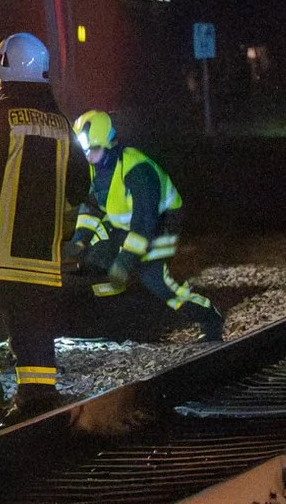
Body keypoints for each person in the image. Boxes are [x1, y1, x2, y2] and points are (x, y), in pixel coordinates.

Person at [0, 32, 92, 419]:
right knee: (33, 322)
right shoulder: (62, 126)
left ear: (1, 71)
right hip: (41, 259)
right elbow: (80, 187)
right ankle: (37, 394)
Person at [71, 110, 226, 343]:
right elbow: (92, 207)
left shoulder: (138, 170)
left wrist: (125, 261)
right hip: (127, 225)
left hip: (162, 224)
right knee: (96, 258)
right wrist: (79, 241)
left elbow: (144, 224)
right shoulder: (97, 166)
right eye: (85, 152)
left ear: (109, 143)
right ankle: (107, 325)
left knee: (154, 278)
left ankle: (209, 318)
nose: (88, 157)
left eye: (93, 150)